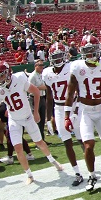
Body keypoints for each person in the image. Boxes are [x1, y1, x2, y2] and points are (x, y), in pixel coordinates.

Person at [64, 34, 101, 191]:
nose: (91, 54)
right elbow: (70, 94)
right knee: (89, 145)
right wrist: (67, 116)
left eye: (93, 50)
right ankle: (92, 176)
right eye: (87, 51)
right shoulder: (77, 66)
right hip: (86, 111)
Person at [0, 61, 63, 184]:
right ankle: (29, 175)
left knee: (39, 142)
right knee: (18, 148)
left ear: (9, 73)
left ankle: (53, 161)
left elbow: (36, 92)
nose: (0, 79)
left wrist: (36, 112)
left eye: (2, 75)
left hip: (27, 117)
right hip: (14, 119)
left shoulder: (19, 78)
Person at [43, 42, 85, 186]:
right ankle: (77, 173)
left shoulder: (71, 68)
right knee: (67, 142)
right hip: (59, 109)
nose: (58, 59)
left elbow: (80, 91)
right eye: (55, 56)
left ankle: (91, 169)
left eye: (60, 55)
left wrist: (77, 109)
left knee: (81, 139)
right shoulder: (47, 73)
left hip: (73, 106)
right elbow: (48, 97)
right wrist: (48, 118)